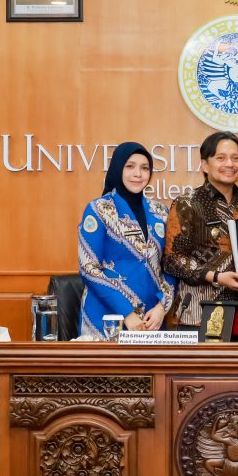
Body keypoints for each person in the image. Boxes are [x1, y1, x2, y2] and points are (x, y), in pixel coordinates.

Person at [163, 132, 238, 329]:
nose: (230, 164)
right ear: (204, 165)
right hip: (198, 313)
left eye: (236, 158)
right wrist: (216, 276)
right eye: (221, 158)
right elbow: (172, 260)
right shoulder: (187, 203)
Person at [77, 142, 175, 337]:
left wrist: (162, 307)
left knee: (150, 369)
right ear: (118, 168)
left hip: (150, 320)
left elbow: (170, 265)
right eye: (130, 166)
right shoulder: (99, 209)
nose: (138, 174)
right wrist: (127, 312)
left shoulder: (160, 212)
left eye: (144, 168)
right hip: (107, 318)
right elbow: (88, 267)